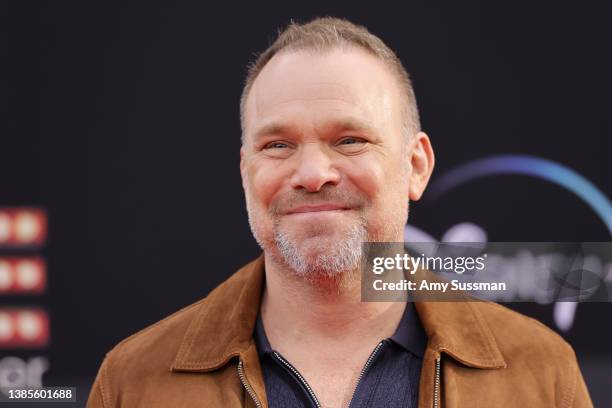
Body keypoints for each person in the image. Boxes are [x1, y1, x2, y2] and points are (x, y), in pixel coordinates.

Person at [87, 17, 592, 408]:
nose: (311, 173)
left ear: (415, 166)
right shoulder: (135, 380)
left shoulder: (538, 373)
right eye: (278, 145)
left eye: (349, 140)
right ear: (246, 174)